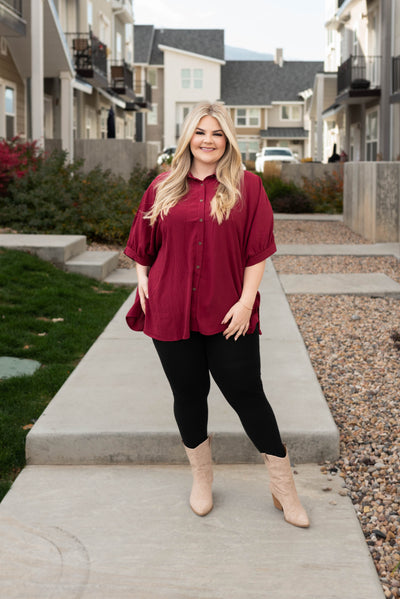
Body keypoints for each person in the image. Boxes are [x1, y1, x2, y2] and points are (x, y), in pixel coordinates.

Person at [124, 101, 309, 528]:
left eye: (217, 133)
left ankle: (284, 488)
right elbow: (142, 242)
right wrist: (143, 279)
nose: (208, 140)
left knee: (248, 396)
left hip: (230, 313)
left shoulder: (248, 186)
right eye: (201, 132)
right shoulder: (163, 186)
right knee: (189, 396)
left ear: (228, 140)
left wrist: (246, 302)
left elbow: (257, 250)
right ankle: (202, 479)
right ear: (189, 136)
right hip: (171, 311)